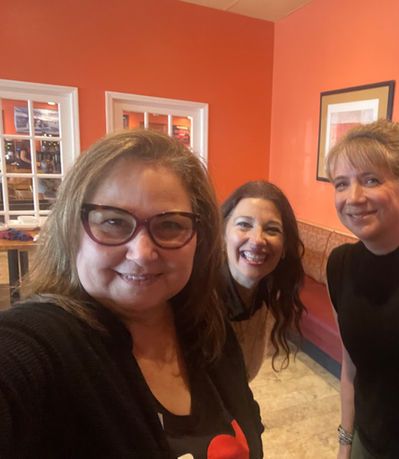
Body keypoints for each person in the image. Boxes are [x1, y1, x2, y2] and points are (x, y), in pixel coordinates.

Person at [0, 129, 263, 458]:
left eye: (170, 225)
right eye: (113, 222)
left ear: (201, 238)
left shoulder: (208, 325)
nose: (141, 253)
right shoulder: (46, 343)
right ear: (71, 229)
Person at [324, 119, 399, 458]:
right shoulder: (340, 264)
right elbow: (350, 365)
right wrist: (345, 441)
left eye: (370, 180)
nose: (353, 198)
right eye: (342, 184)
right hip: (369, 442)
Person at [221, 181, 306, 381]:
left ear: (284, 247)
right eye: (244, 225)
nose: (257, 240)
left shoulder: (266, 298)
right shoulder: (197, 304)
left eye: (272, 229)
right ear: (223, 234)